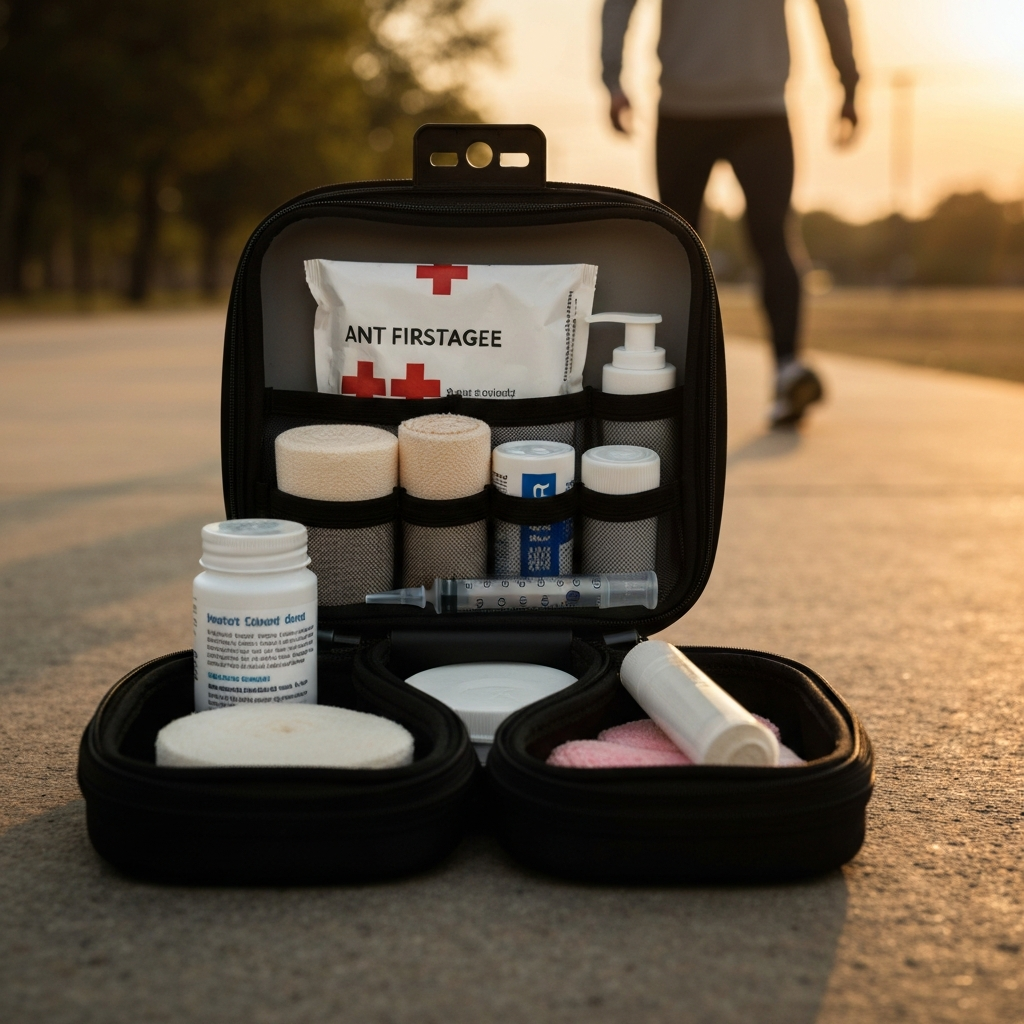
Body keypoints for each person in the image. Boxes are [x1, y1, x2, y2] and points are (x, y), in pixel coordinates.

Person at [601, 0, 859, 426]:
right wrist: (612, 77)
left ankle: (787, 370)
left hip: (754, 108)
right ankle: (675, 382)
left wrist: (849, 80)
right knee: (681, 248)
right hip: (696, 109)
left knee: (768, 236)